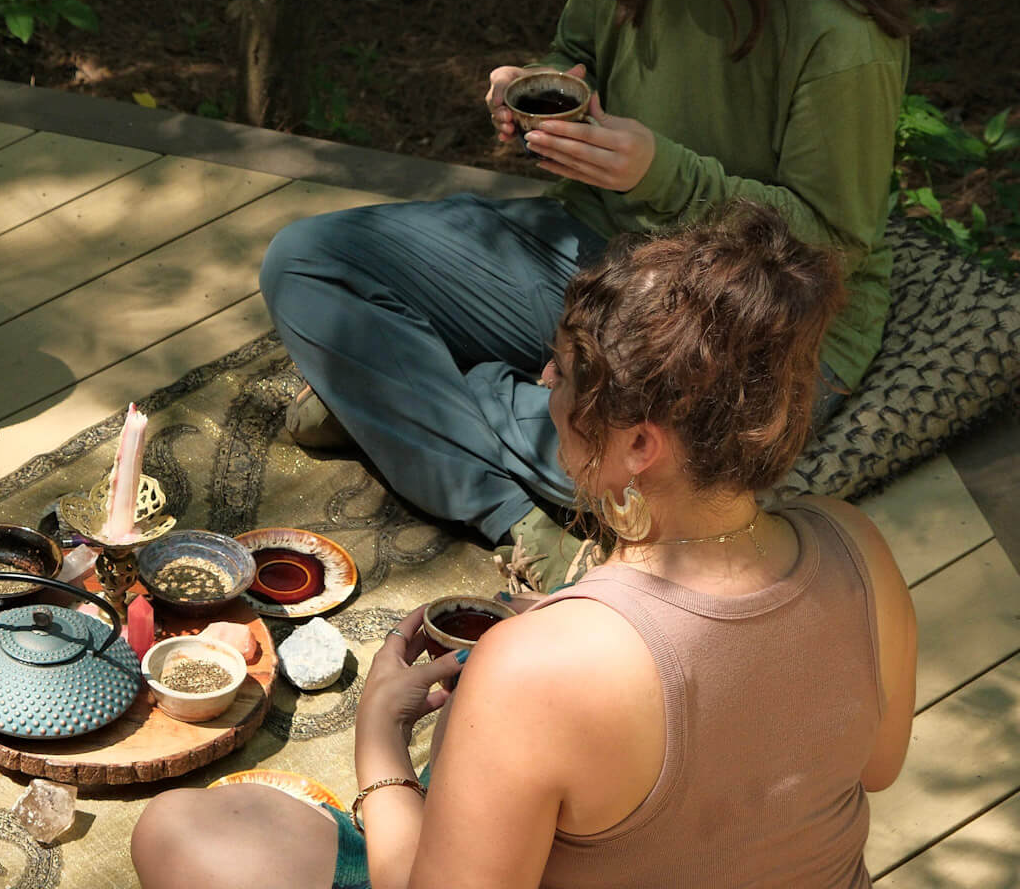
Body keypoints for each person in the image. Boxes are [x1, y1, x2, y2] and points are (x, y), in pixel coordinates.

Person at [259, 0, 910, 590]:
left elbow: (830, 245)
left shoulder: (839, 28)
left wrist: (661, 172)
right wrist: (551, 97)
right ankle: (511, 506)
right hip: (595, 248)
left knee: (662, 458)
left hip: (751, 322)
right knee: (309, 264)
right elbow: (580, 54)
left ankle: (406, 401)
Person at [133, 201, 918, 888]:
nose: (544, 383)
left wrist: (380, 745)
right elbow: (875, 766)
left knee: (179, 832)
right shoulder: (857, 546)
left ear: (639, 446)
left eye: (567, 376)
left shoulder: (538, 669)